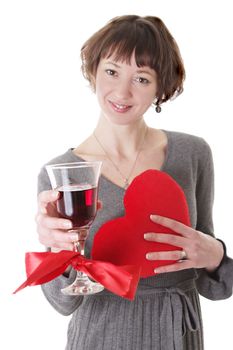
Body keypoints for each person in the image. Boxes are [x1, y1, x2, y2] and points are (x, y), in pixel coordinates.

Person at [36, 15, 233, 350]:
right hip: (100, 334)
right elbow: (63, 303)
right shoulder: (62, 173)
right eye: (112, 71)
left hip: (177, 332)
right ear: (93, 71)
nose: (122, 92)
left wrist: (216, 254)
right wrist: (58, 251)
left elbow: (216, 286)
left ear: (161, 87)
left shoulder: (192, 153)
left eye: (141, 78)